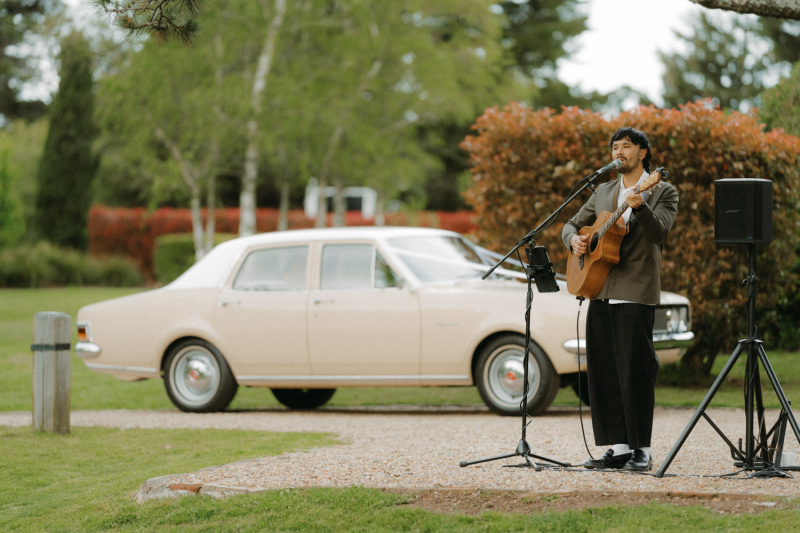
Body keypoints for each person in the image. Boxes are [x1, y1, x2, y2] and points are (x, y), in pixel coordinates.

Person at [561, 127, 679, 471]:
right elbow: (571, 224)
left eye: (626, 146)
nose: (619, 152)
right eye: (615, 147)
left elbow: (660, 234)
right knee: (605, 371)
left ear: (643, 152)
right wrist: (575, 242)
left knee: (636, 371)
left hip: (636, 290)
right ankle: (618, 447)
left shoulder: (662, 190)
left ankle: (641, 447)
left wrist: (640, 208)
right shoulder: (603, 190)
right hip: (598, 288)